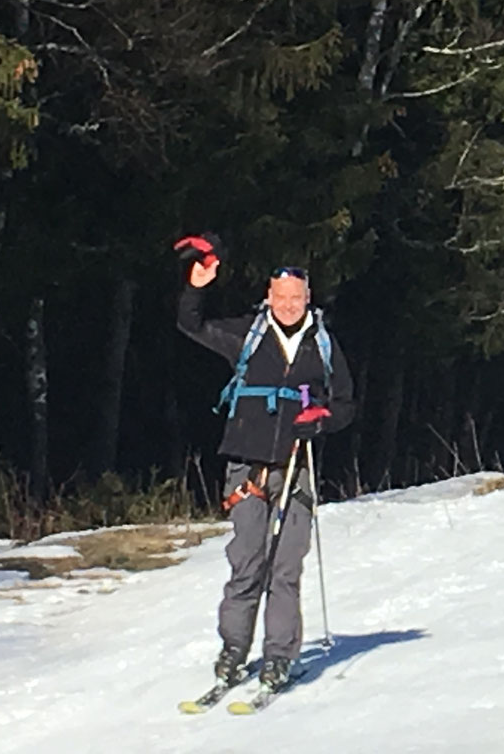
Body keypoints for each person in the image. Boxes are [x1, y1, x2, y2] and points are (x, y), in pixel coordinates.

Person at [176, 235, 355, 690]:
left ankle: (279, 656)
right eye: (282, 297)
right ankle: (234, 651)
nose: (290, 305)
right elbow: (190, 325)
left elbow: (346, 405)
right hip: (247, 467)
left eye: (297, 297)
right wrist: (197, 285)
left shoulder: (324, 345)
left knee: (285, 569)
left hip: (298, 468)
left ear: (308, 298)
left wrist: (322, 422)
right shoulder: (247, 336)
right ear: (269, 297)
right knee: (247, 563)